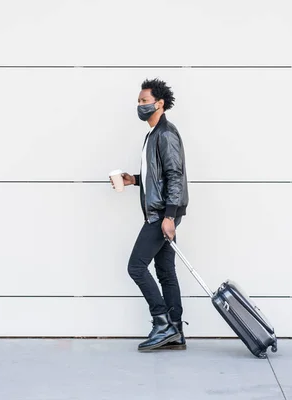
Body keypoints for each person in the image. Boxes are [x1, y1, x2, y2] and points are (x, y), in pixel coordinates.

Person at [110, 78, 189, 351]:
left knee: (136, 267)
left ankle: (162, 322)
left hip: (161, 215)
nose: (140, 105)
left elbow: (175, 176)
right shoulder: (153, 134)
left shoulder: (166, 134)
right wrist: (135, 179)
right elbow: (159, 177)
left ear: (160, 103)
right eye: (139, 101)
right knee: (165, 271)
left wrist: (169, 216)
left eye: (144, 101)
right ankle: (175, 331)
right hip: (162, 211)